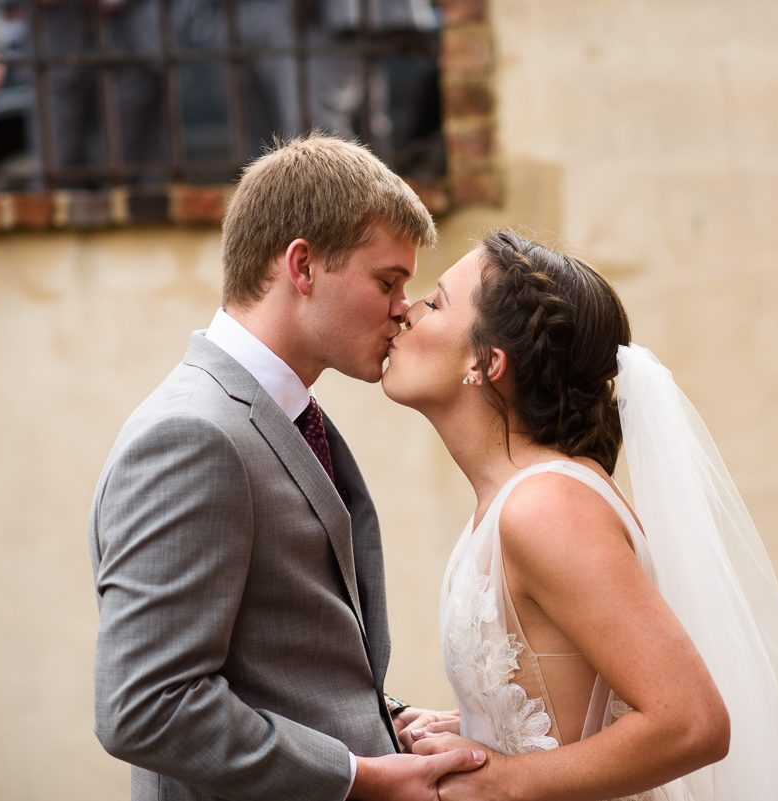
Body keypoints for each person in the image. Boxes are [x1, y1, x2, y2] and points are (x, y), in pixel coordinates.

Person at [88, 134, 485, 801]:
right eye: (387, 280)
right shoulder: (193, 435)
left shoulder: (288, 416)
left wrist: (386, 725)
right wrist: (360, 777)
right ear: (302, 266)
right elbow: (145, 704)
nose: (402, 307)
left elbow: (278, 664)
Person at [381, 231, 778, 800]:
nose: (408, 312)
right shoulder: (511, 502)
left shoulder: (547, 508)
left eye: (436, 302)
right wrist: (469, 730)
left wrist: (504, 781)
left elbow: (692, 723)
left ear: (487, 362)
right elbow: (567, 701)